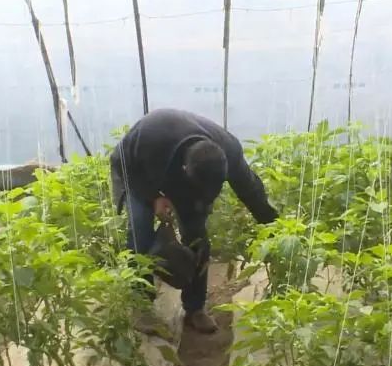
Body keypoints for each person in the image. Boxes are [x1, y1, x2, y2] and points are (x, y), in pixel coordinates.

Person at [110, 108, 279, 334]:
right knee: (140, 232)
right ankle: (142, 306)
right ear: (185, 170)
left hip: (180, 178)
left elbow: (252, 191)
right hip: (136, 171)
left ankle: (195, 308)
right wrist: (154, 197)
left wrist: (276, 229)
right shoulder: (153, 140)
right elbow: (120, 162)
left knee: (197, 238)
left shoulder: (228, 151)